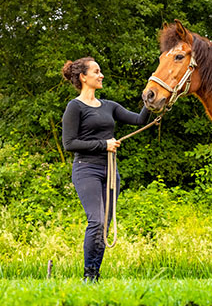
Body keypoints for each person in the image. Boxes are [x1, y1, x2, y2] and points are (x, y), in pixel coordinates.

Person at [61, 57, 151, 282]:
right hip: (86, 169)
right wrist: (104, 144)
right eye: (96, 71)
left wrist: (151, 98)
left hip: (110, 172)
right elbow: (69, 144)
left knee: (105, 225)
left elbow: (140, 120)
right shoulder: (75, 107)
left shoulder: (109, 106)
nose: (101, 75)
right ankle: (88, 275)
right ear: (83, 77)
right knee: (96, 221)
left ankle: (95, 275)